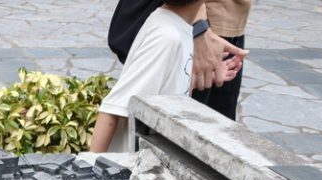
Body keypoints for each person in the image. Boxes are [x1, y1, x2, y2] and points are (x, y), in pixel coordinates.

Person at [90, 0, 236, 153]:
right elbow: (113, 108)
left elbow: (164, 87)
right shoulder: (167, 37)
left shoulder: (179, 28)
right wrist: (90, 164)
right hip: (132, 162)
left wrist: (194, 78)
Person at [191, 0, 251, 119]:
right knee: (192, 119)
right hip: (206, 30)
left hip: (230, 27)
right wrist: (200, 30)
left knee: (221, 120)